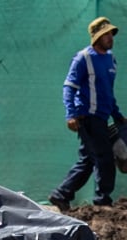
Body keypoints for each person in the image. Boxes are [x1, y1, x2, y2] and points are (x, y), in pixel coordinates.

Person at [48, 17, 121, 213]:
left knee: (88, 160)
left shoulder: (111, 59)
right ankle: (102, 202)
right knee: (105, 158)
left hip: (102, 117)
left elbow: (108, 91)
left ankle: (61, 194)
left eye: (111, 34)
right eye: (105, 35)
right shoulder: (83, 58)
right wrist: (70, 114)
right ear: (96, 37)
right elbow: (69, 87)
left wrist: (117, 114)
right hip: (88, 117)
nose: (110, 38)